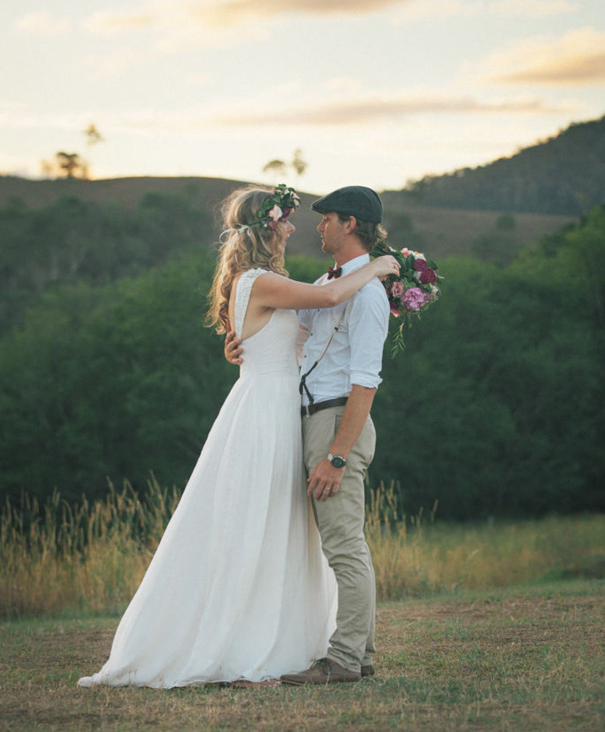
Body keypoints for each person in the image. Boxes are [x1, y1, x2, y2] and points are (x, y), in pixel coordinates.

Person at [77, 184, 398, 688]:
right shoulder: (263, 280)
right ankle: (257, 641)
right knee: (257, 525)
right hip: (271, 415)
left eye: (314, 218)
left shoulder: (271, 282)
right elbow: (331, 297)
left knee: (285, 532)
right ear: (268, 226)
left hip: (287, 412)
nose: (297, 226)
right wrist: (378, 266)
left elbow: (312, 334)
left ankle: (319, 646)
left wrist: (245, 343)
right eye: (287, 219)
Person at [226, 185, 391, 685]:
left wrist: (338, 454)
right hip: (307, 419)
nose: (316, 226)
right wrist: (242, 348)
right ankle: (356, 655)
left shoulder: (367, 294)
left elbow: (366, 381)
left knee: (343, 544)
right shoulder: (326, 281)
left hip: (337, 422)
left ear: (351, 225)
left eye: (327, 218)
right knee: (332, 543)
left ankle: (345, 659)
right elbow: (291, 338)